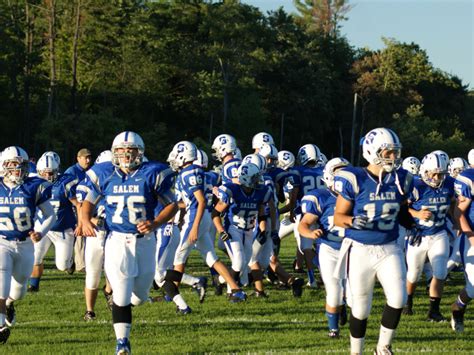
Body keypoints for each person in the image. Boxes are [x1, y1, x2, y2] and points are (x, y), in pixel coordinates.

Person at [79, 132, 177, 354]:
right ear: (114, 152)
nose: (125, 154)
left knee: (140, 297)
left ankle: (128, 305)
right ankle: (122, 343)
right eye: (121, 150)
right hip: (116, 241)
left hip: (145, 241)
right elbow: (87, 201)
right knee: (121, 295)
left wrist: (155, 222)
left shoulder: (153, 173)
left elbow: (173, 205)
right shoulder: (104, 173)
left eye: (130, 150)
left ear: (139, 152)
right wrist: (85, 219)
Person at [333, 128, 414, 355]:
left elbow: (402, 211)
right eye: (388, 152)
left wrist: (413, 224)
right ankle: (356, 352)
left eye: (395, 153)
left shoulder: (401, 179)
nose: (393, 157)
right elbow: (338, 217)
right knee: (360, 308)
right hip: (359, 249)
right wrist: (351, 220)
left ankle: (383, 347)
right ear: (372, 151)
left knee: (399, 298)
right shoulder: (355, 178)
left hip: (389, 247)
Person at [162, 141, 246, 311]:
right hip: (204, 216)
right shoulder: (203, 174)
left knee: (179, 257)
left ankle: (175, 294)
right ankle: (236, 289)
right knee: (211, 257)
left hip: (196, 219)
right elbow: (194, 200)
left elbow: (199, 201)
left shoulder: (190, 172)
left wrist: (194, 227)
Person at [0, 146, 56, 344]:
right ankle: (0, 326)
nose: (19, 169)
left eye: (22, 165)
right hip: (2, 242)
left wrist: (40, 231)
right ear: (3, 165)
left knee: (18, 291)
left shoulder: (33, 186)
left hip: (25, 245)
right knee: (1, 284)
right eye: (14, 164)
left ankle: (10, 304)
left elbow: (50, 214)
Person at [299, 157, 350, 338]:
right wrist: (311, 233)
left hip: (353, 248)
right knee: (334, 291)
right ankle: (333, 330)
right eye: (338, 172)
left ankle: (344, 306)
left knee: (354, 295)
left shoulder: (358, 196)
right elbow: (303, 224)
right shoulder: (320, 197)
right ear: (329, 175)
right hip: (329, 248)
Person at [403, 153, 455, 321]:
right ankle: (407, 303)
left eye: (440, 174)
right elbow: (402, 208)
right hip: (418, 236)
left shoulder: (449, 184)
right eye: (433, 173)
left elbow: (454, 204)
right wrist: (417, 213)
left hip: (439, 234)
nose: (436, 177)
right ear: (424, 171)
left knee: (439, 273)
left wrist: (458, 222)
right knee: (413, 275)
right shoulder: (416, 186)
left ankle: (434, 311)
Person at [28, 153, 79, 292]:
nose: (46, 176)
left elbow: (78, 204)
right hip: (43, 227)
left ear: (56, 171)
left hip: (62, 229)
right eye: (42, 173)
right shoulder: (34, 183)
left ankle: (69, 263)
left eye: (49, 172)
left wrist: (80, 222)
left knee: (62, 266)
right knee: (35, 257)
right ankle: (34, 285)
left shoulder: (65, 183)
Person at [450, 158, 474, 332]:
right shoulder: (469, 179)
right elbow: (459, 213)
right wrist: (471, 236)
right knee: (473, 288)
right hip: (471, 236)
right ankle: (458, 307)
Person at [66, 148, 93, 272]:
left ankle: (75, 261)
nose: (88, 160)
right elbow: (65, 190)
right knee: (78, 233)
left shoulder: (89, 171)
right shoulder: (72, 172)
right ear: (78, 158)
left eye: (89, 157)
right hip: (74, 206)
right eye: (85, 157)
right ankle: (77, 263)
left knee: (81, 233)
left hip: (84, 205)